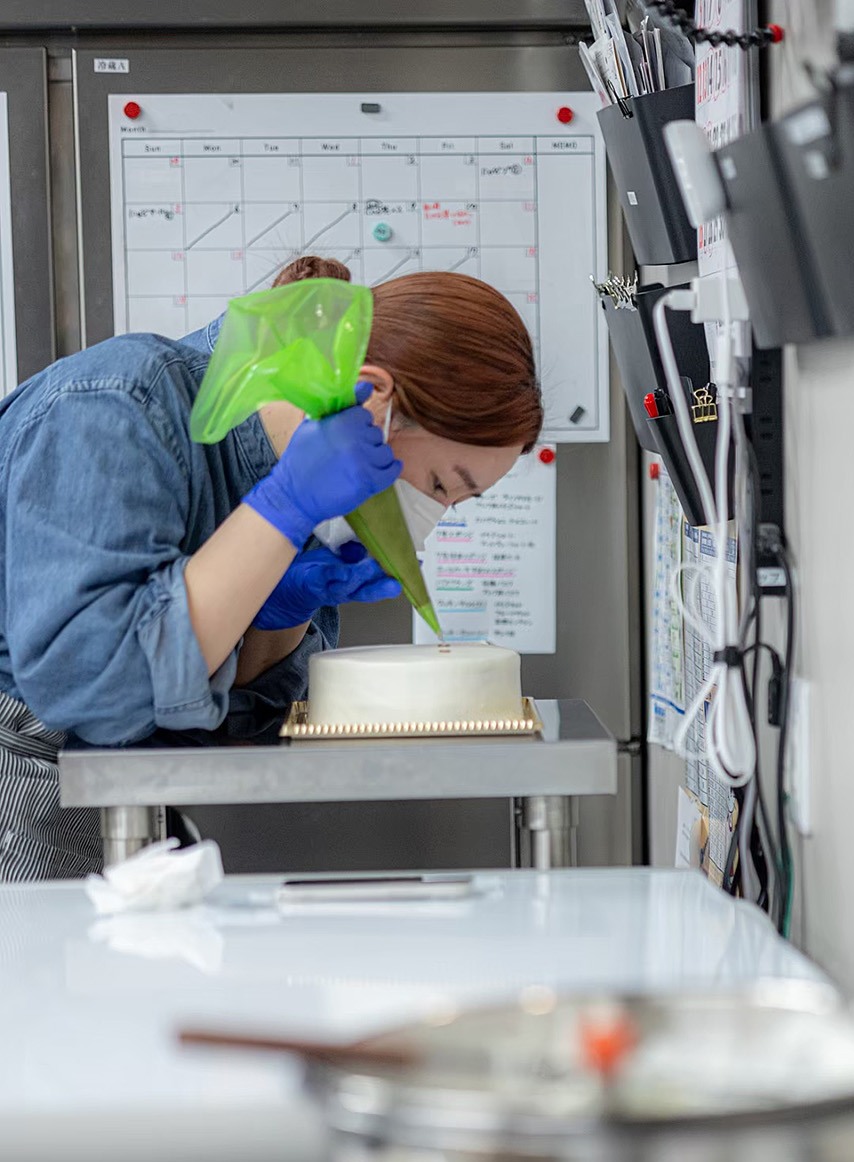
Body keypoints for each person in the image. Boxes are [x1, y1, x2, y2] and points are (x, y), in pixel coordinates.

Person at [0, 257, 542, 880]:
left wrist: (280, 614)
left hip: (116, 815)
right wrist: (281, 509)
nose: (433, 516)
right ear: (372, 401)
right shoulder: (115, 409)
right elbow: (98, 693)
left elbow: (224, 728)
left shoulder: (308, 495)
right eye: (441, 484)